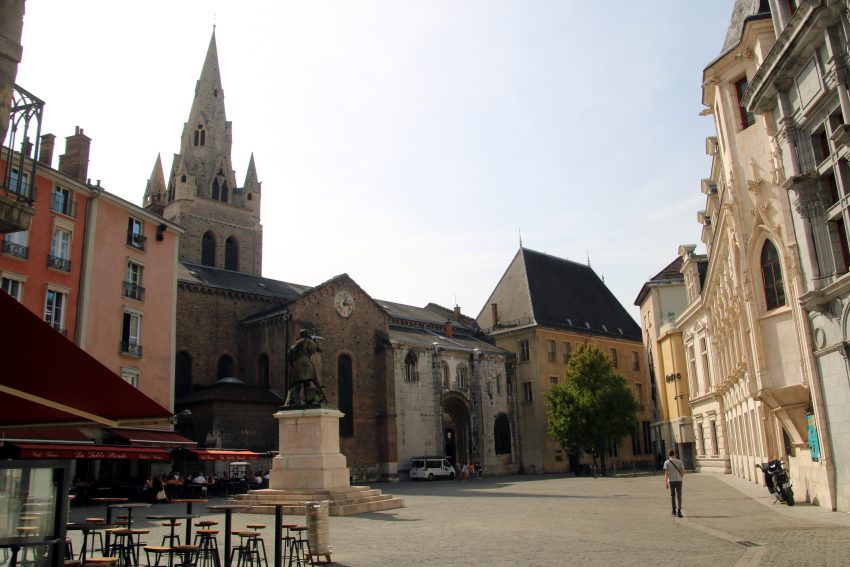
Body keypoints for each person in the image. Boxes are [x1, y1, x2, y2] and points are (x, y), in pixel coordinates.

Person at [285, 329, 327, 406]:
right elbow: (319, 349)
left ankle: (293, 400)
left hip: (297, 364)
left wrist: (292, 365)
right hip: (306, 362)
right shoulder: (308, 341)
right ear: (307, 334)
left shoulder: (297, 343)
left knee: (297, 383)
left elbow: (289, 353)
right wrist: (315, 342)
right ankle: (313, 398)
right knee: (312, 380)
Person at [663, 449, 685, 517]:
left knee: (672, 496)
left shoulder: (666, 462)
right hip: (679, 480)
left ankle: (673, 510)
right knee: (679, 495)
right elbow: (683, 471)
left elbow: (666, 474)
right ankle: (679, 511)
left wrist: (666, 483)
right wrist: (681, 476)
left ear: (668, 454)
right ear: (674, 454)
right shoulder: (679, 461)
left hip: (671, 481)